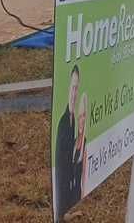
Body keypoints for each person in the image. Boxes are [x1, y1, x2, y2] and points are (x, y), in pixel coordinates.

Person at [54, 64, 84, 217]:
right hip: (62, 202)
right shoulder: (63, 124)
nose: (74, 93)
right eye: (72, 88)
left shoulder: (73, 121)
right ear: (68, 89)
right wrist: (61, 214)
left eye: (76, 89)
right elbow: (61, 174)